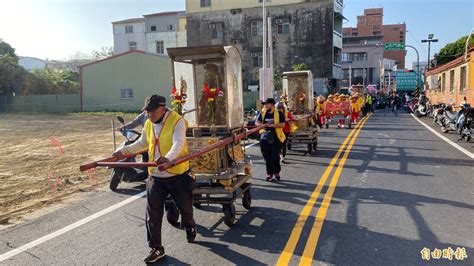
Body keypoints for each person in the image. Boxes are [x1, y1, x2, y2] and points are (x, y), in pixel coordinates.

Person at [112, 95, 196, 264]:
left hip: (177, 174)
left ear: (162, 109)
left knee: (185, 208)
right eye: (147, 112)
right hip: (156, 176)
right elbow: (142, 143)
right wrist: (124, 151)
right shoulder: (149, 123)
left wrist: (168, 158)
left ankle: (189, 224)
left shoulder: (177, 121)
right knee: (153, 214)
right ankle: (156, 248)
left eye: (152, 112)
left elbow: (178, 143)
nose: (149, 115)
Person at [256, 98, 286, 181]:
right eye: (264, 104)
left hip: (276, 137)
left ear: (272, 105)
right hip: (264, 137)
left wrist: (271, 125)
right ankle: (269, 174)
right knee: (267, 157)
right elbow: (257, 122)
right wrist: (263, 125)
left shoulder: (279, 113)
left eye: (267, 104)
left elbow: (283, 124)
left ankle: (276, 173)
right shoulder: (262, 112)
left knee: (275, 157)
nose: (265, 105)